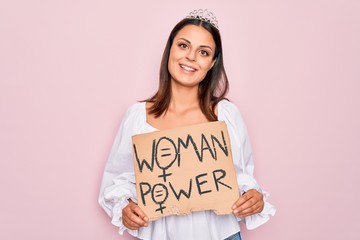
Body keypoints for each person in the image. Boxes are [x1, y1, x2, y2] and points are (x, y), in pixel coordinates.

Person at [98, 9, 276, 240]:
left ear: (212, 63)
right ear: (170, 49)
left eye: (203, 52)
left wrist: (253, 197)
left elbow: (240, 177)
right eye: (183, 45)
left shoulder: (226, 115)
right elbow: (117, 180)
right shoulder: (137, 117)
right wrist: (125, 208)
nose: (191, 57)